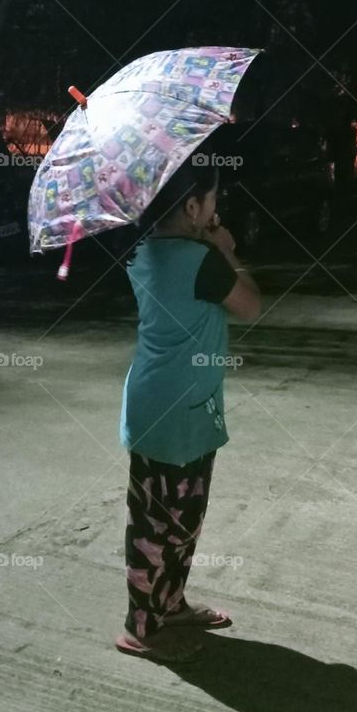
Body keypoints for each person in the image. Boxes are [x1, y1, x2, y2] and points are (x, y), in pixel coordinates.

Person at [115, 150, 261, 664]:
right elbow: (250, 305)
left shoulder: (150, 248)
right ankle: (141, 628)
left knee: (178, 519)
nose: (218, 207)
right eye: (213, 198)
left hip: (172, 405)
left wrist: (207, 243)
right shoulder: (201, 261)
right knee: (159, 526)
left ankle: (169, 605)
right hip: (173, 412)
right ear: (195, 206)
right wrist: (226, 250)